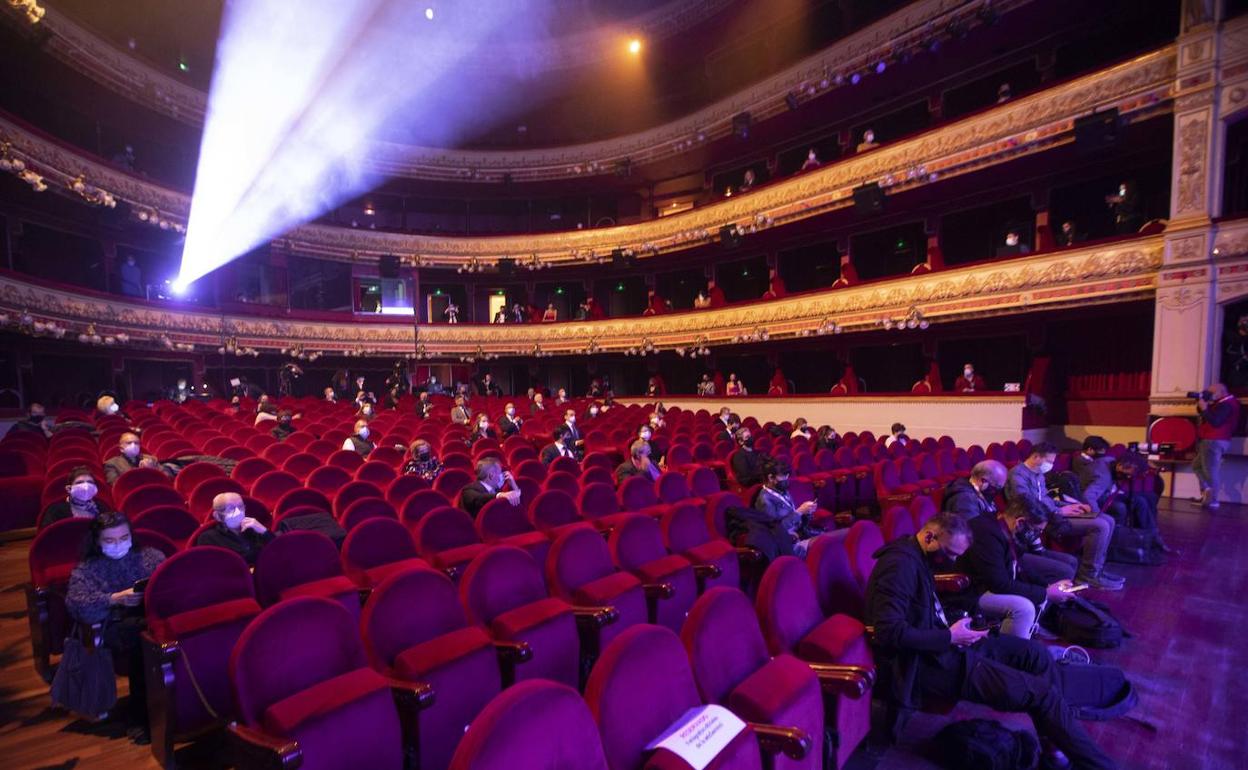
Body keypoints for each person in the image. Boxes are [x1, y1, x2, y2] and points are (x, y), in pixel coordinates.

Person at [863, 513, 1118, 770]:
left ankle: (1054, 739)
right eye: (950, 553)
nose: (954, 561)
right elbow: (888, 633)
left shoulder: (919, 556)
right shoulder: (899, 567)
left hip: (948, 643)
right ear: (929, 536)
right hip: (929, 663)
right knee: (1041, 695)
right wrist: (950, 636)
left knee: (1034, 654)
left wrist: (960, 630)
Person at [66, 512, 165, 744]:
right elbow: (77, 606)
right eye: (110, 540)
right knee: (143, 641)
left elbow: (172, 582)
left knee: (153, 634)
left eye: (123, 537)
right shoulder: (87, 569)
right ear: (97, 542)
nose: (118, 544)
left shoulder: (150, 556)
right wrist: (113, 599)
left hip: (150, 617)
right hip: (114, 624)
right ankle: (141, 717)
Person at [1006, 442, 1121, 590]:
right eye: (1049, 461)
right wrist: (1060, 511)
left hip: (1053, 513)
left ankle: (1098, 570)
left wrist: (1069, 506)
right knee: (1100, 526)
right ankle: (1088, 575)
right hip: (1041, 520)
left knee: (1108, 520)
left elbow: (1045, 498)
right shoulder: (1018, 474)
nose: (1051, 465)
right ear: (1036, 457)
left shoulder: (1038, 473)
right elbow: (1028, 505)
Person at [961, 497, 1075, 638]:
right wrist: (1046, 593)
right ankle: (1015, 651)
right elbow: (999, 584)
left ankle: (1031, 629)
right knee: (1023, 609)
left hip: (989, 583)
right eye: (1037, 531)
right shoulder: (986, 534)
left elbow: (1019, 566)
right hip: (971, 590)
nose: (1037, 536)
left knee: (1052, 577)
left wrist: (1047, 585)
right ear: (1020, 522)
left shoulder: (1003, 526)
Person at [754, 458, 819, 557]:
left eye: (788, 475)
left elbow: (794, 518)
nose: (787, 478)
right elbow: (775, 530)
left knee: (835, 540)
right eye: (783, 476)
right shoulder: (764, 501)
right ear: (771, 478)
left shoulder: (782, 491)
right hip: (788, 545)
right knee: (827, 544)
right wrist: (799, 512)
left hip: (800, 534)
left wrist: (807, 512)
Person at [1193, 382, 1239, 509]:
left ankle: (1213, 500)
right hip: (1210, 440)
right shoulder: (1221, 403)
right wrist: (1203, 404)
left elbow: (1215, 421)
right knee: (1196, 466)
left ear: (1221, 392)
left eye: (1212, 392)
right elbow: (1206, 416)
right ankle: (1207, 491)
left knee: (1210, 471)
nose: (1210, 395)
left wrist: (1205, 409)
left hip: (1214, 440)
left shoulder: (1227, 404)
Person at [195, 492, 273, 566]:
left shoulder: (253, 527)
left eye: (240, 506)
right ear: (217, 516)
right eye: (231, 509)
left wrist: (264, 531)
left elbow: (277, 550)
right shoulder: (208, 538)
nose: (238, 512)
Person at [40, 466, 113, 528]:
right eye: (79, 482)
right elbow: (48, 536)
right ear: (69, 488)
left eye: (90, 482)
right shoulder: (55, 510)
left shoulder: (101, 506)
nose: (86, 486)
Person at [942, 460, 1007, 520]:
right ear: (983, 481)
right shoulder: (964, 499)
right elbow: (975, 527)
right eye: (996, 487)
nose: (996, 492)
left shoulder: (979, 490)